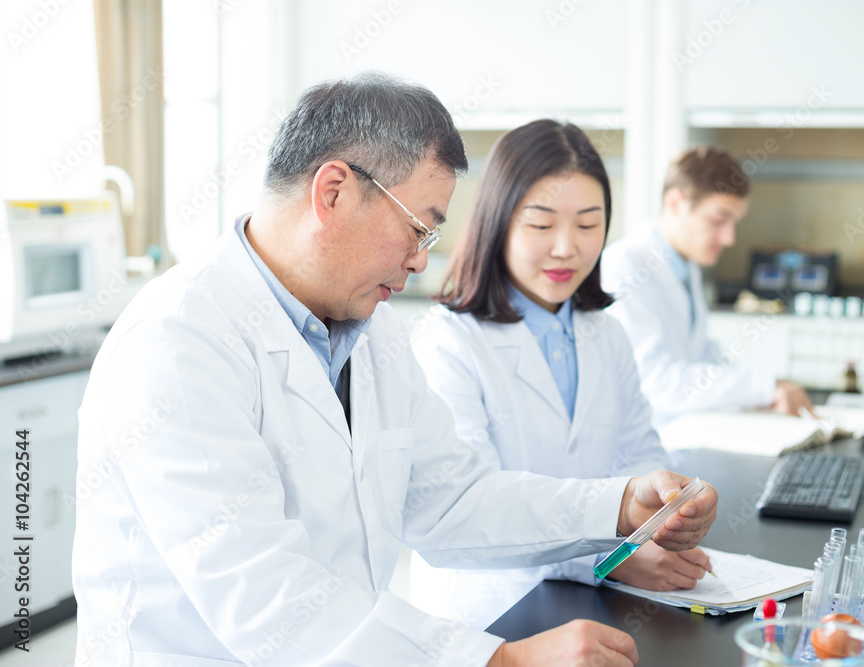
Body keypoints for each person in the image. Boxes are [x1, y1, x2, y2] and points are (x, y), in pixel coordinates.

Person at [72, 72, 718, 667]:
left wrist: (617, 505)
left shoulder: (370, 332)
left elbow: (452, 496)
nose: (419, 261)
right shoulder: (179, 341)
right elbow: (264, 595)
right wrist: (498, 659)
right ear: (332, 191)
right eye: (418, 228)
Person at [408, 119, 714, 630]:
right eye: (542, 224)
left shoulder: (606, 335)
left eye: (589, 224)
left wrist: (677, 506)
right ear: (498, 221)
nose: (566, 247)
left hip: (596, 612)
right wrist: (607, 557)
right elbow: (467, 512)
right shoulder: (448, 342)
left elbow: (640, 454)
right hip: (488, 618)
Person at [601, 146, 814, 428]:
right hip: (643, 451)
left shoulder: (686, 266)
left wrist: (768, 389)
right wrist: (761, 387)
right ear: (675, 203)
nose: (729, 238)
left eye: (734, 223)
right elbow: (656, 381)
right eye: (718, 220)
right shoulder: (625, 266)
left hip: (685, 435)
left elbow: (703, 356)